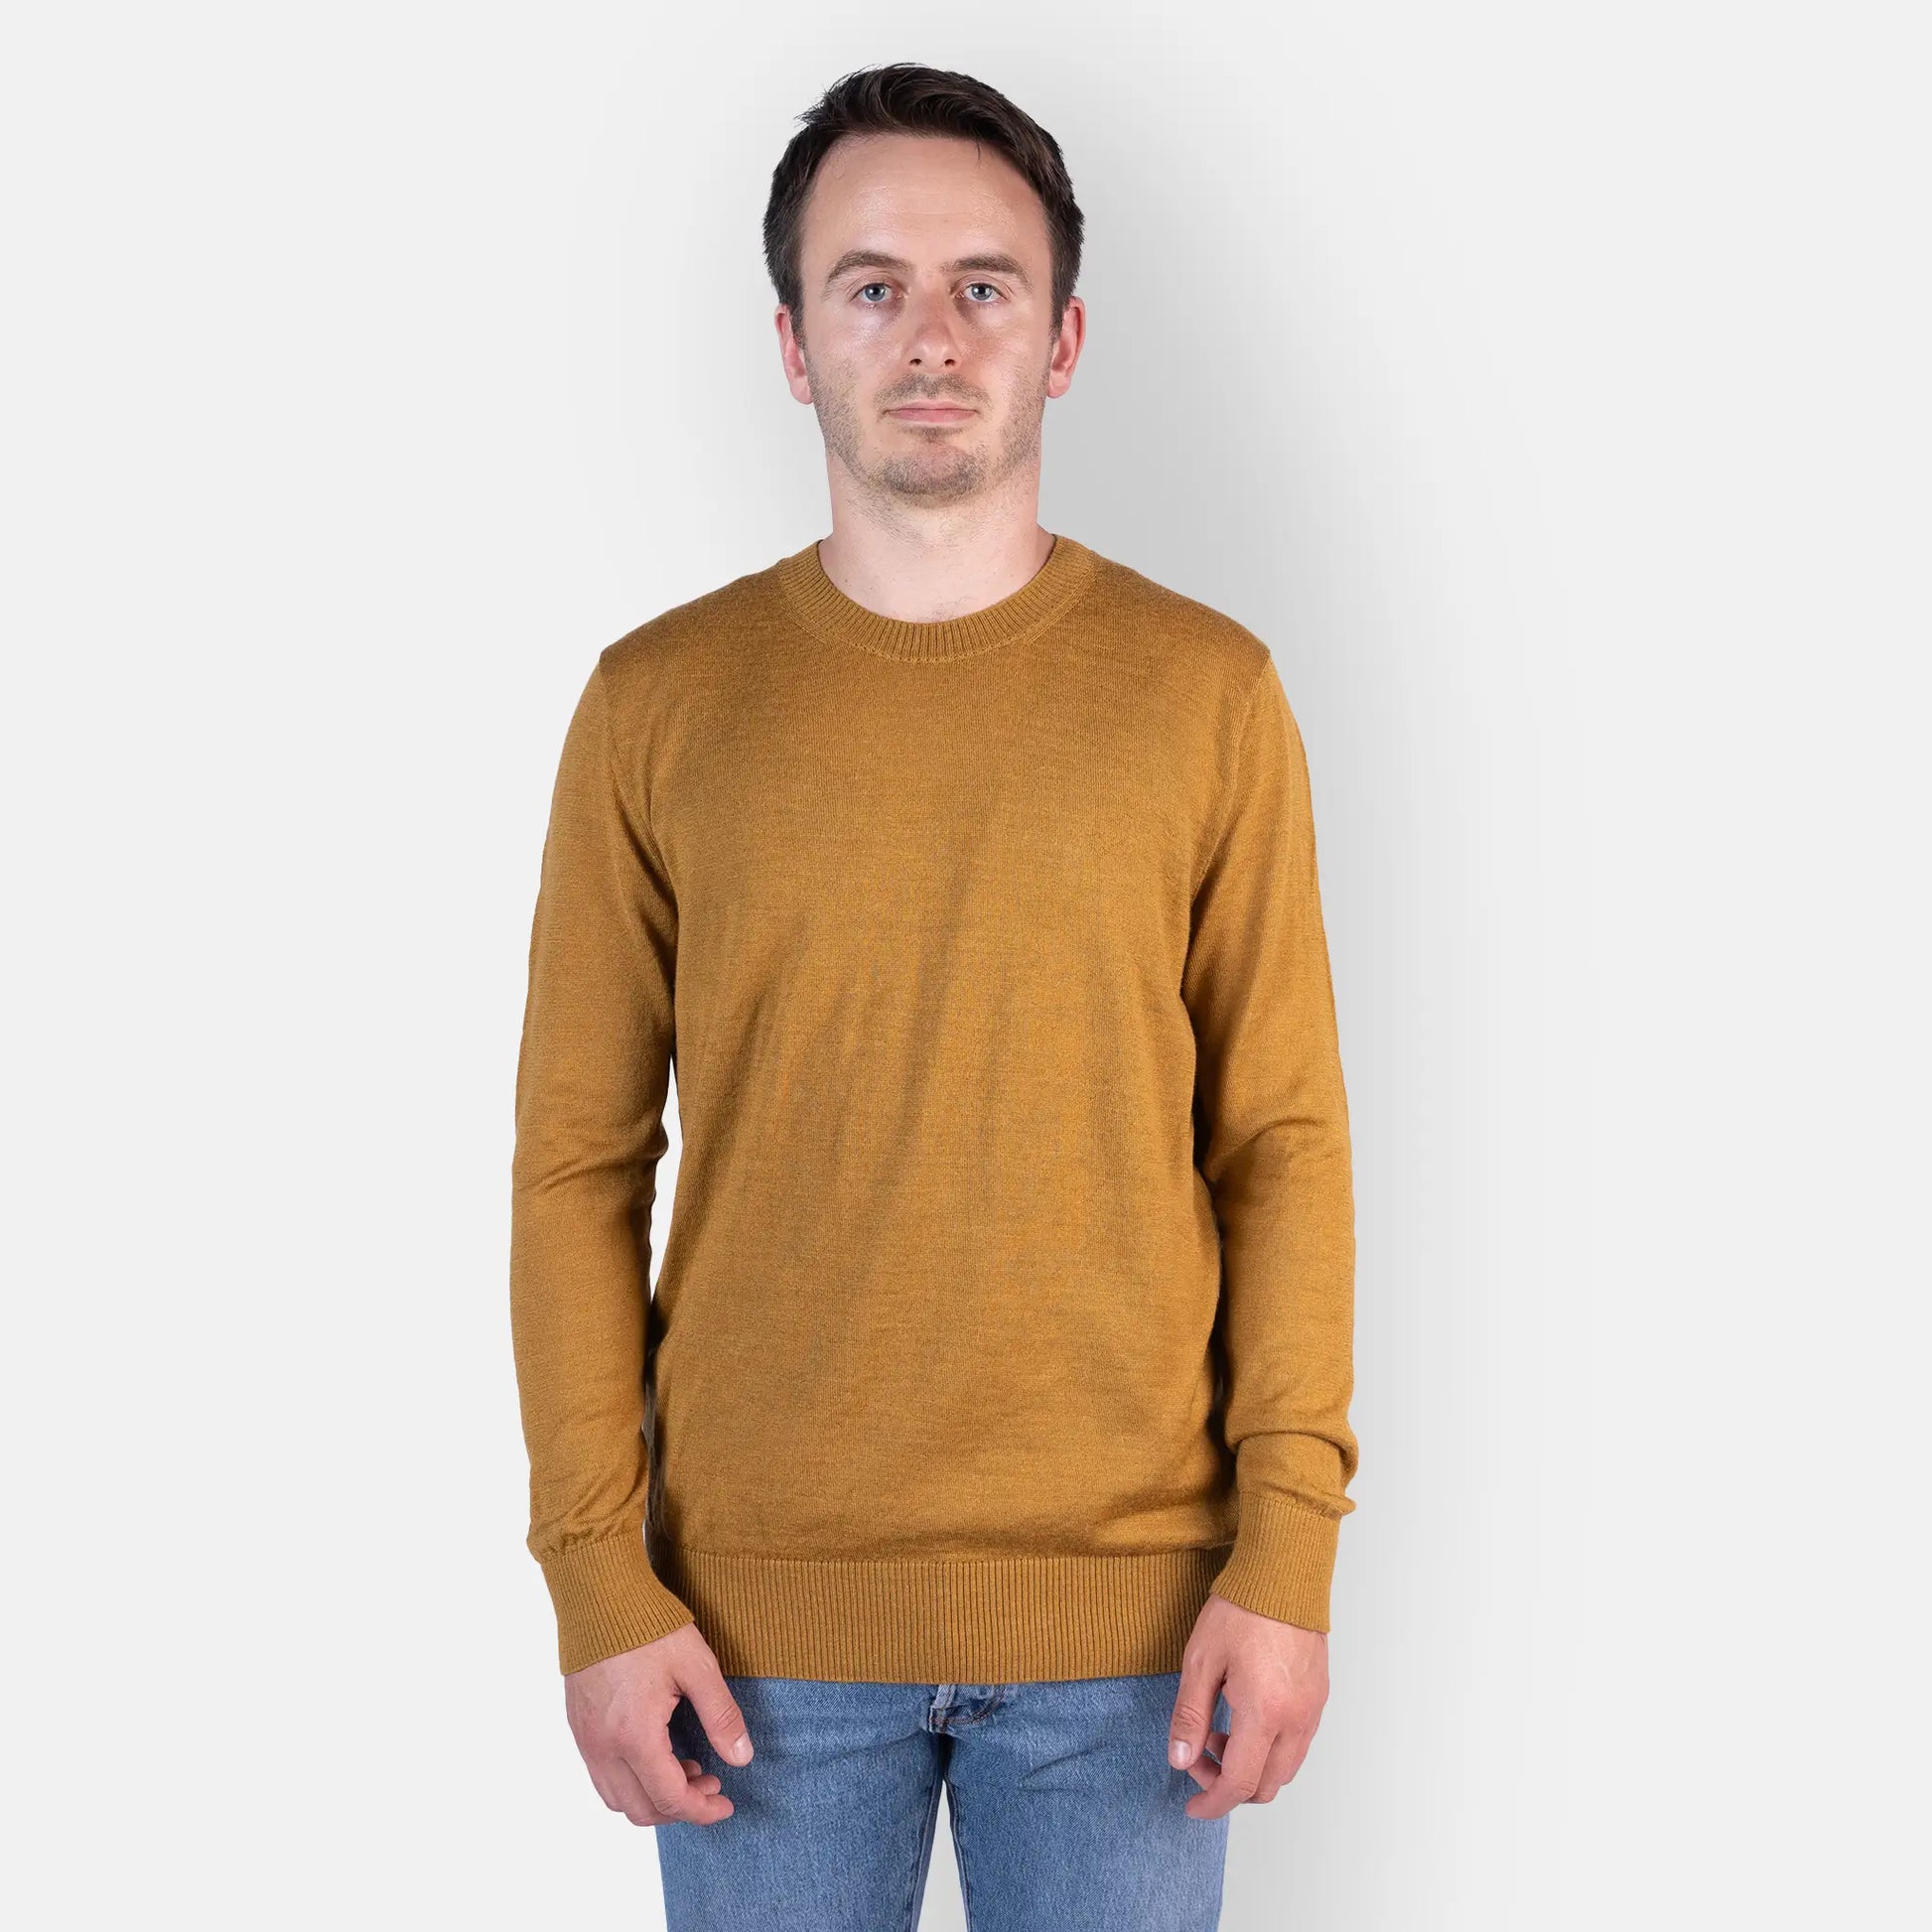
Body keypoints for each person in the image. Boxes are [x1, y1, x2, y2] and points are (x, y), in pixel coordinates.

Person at [508, 61, 1359, 1931]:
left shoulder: (1205, 694)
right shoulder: (656, 704)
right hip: (746, 1638)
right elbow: (576, 1164)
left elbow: (1281, 1144)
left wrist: (1287, 1550)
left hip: (1138, 1634)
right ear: (792, 345)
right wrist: (596, 1578)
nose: (930, 335)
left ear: (1062, 339)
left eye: (984, 284)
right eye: (870, 285)